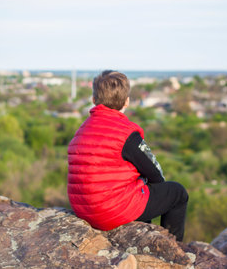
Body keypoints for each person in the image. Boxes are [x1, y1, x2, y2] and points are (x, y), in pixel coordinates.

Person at [67, 70, 188, 241]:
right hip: (110, 211)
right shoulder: (125, 133)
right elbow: (156, 174)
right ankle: (174, 248)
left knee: (139, 189)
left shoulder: (82, 130)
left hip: (84, 210)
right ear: (127, 101)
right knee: (177, 193)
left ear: (94, 100)